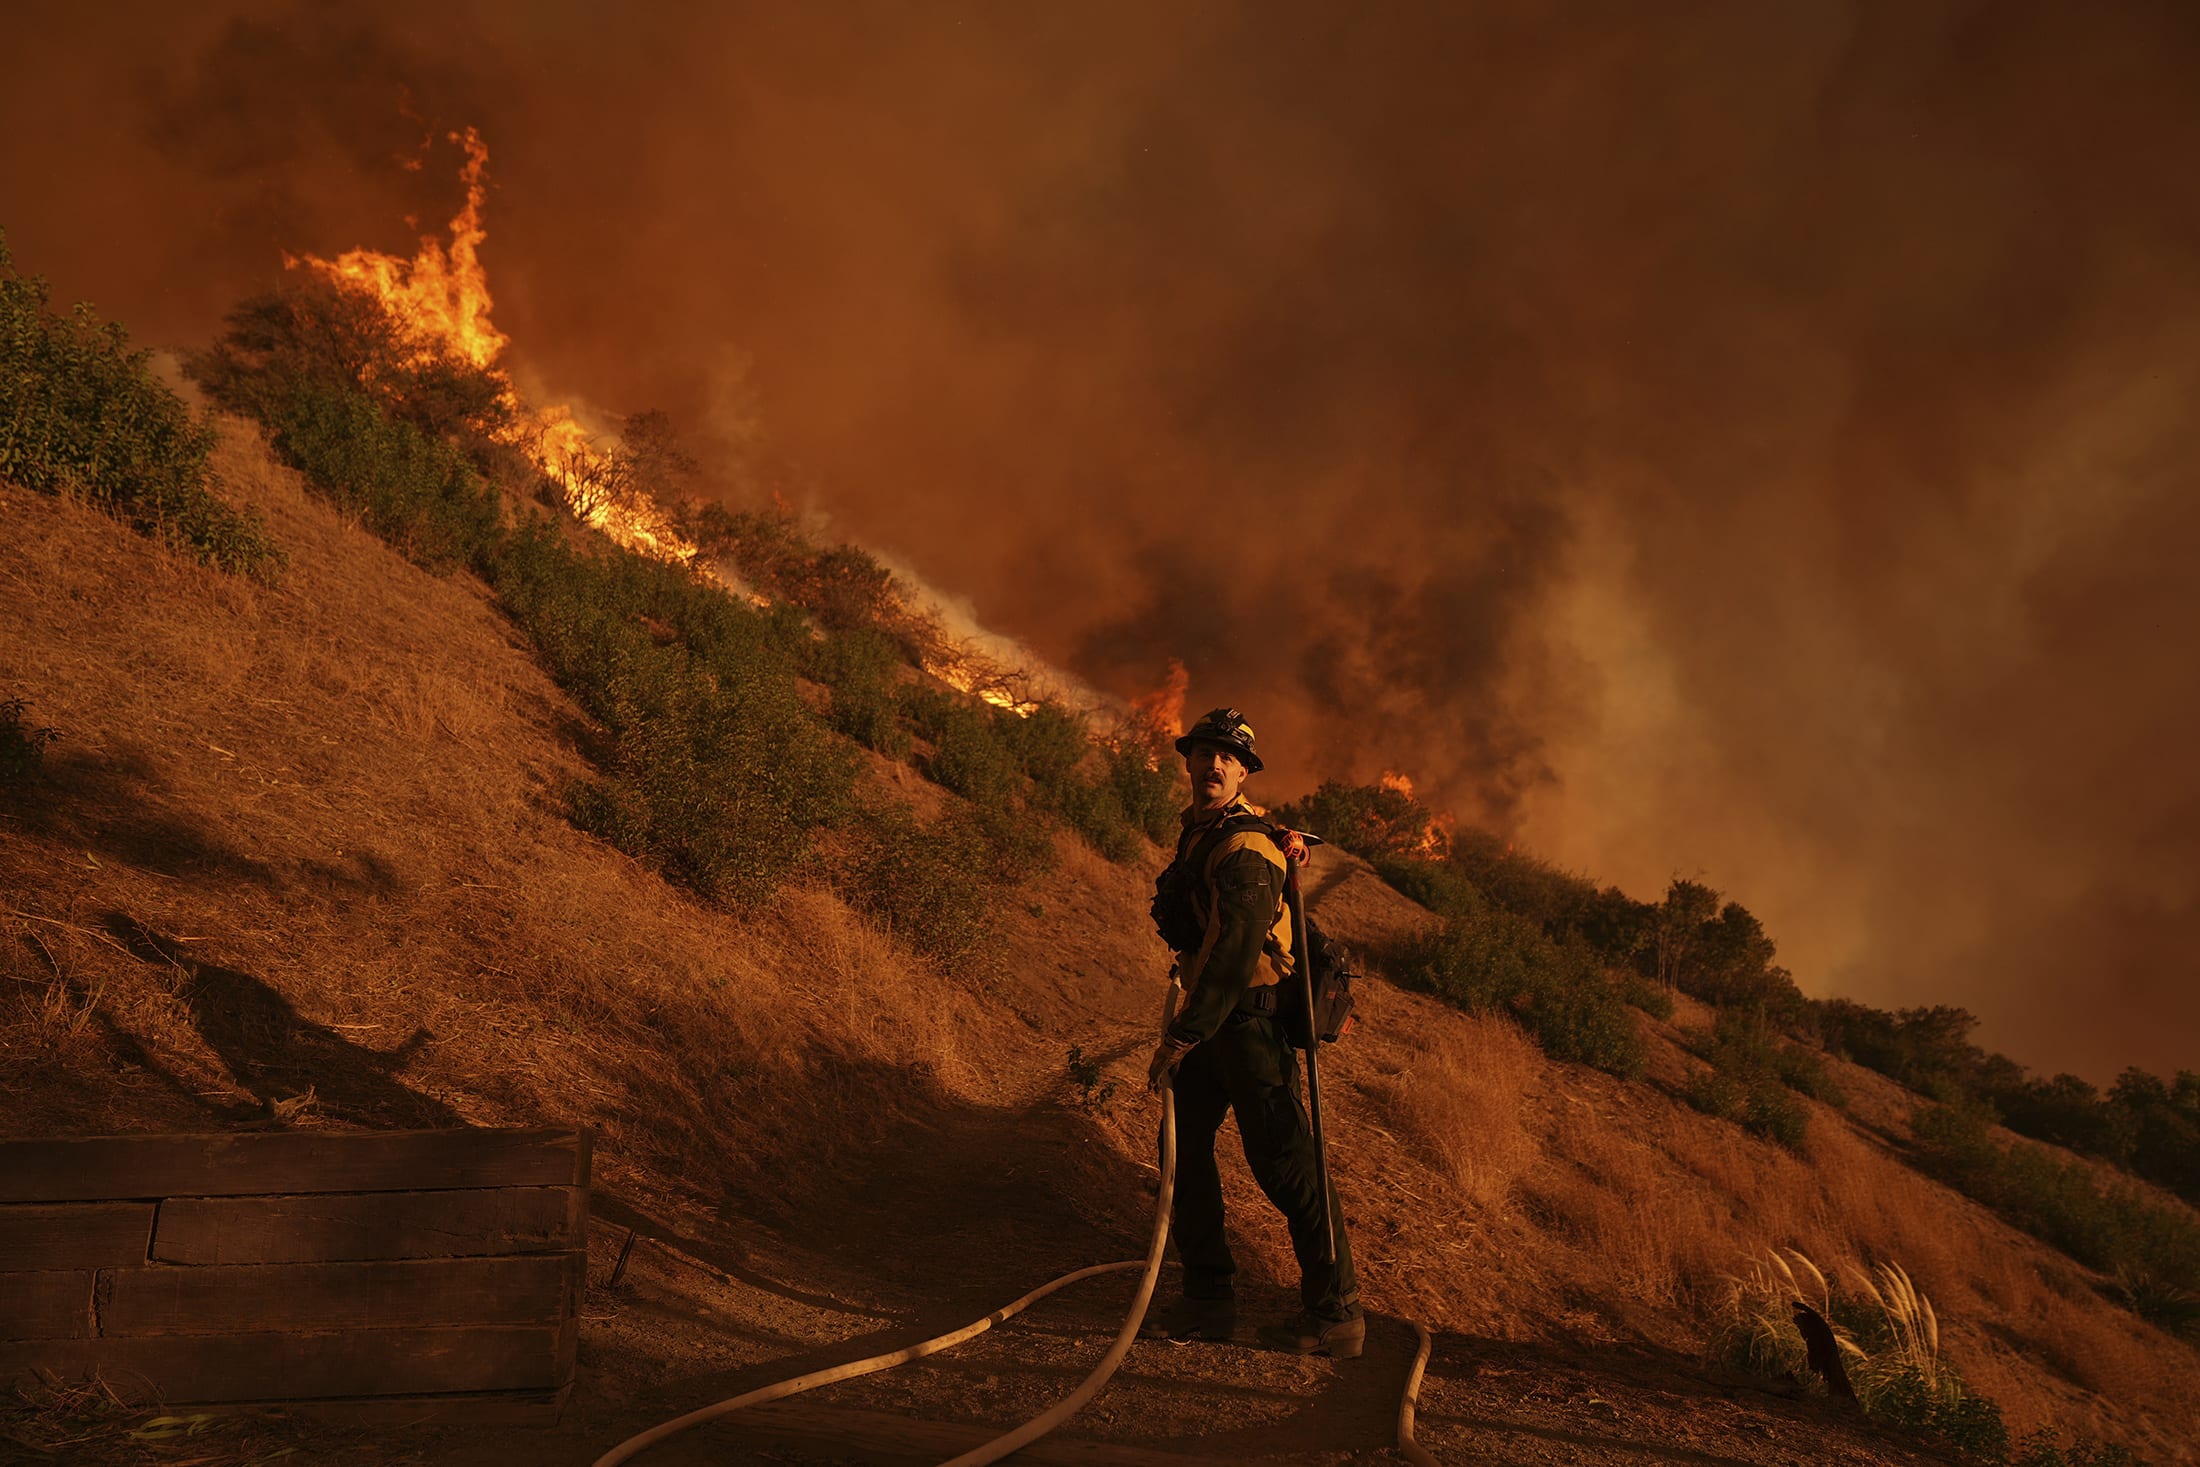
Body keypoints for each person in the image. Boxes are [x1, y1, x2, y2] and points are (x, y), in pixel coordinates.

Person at [1141, 707, 1363, 1358]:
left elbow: (1235, 955)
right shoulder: (1211, 830)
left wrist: (1181, 1036)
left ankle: (1335, 1311)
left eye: (1226, 756)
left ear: (1242, 771)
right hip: (1216, 1023)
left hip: (1247, 1023)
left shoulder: (1245, 846)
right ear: (1188, 761)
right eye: (1203, 751)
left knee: (1287, 1166)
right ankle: (1208, 1299)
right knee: (1182, 1149)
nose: (1212, 763)